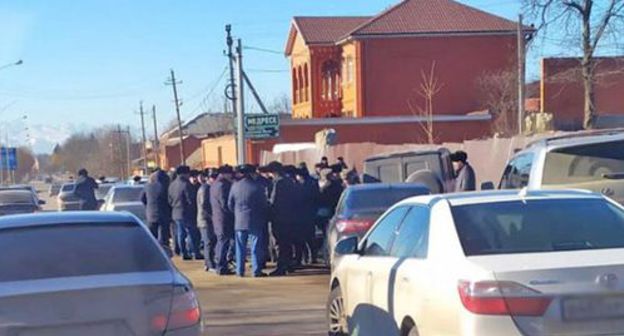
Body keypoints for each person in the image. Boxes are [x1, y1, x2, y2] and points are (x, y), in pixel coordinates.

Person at [228, 164, 269, 277]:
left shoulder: (235, 186)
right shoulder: (257, 187)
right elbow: (263, 204)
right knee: (255, 247)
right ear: (252, 173)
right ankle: (256, 270)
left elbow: (230, 204)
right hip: (255, 220)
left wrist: (237, 213)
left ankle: (239, 271)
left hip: (239, 221)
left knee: (240, 247)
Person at [267, 161, 300, 276]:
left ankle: (281, 267)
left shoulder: (278, 183)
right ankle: (289, 264)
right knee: (287, 242)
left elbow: (273, 201)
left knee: (279, 243)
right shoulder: (290, 181)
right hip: (291, 216)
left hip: (279, 217)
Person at [168, 165, 204, 260]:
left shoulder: (172, 185)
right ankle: (195, 252)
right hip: (187, 212)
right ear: (185, 174)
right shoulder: (186, 185)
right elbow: (191, 199)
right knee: (192, 233)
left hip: (176, 212)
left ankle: (183, 252)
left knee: (181, 233)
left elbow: (169, 200)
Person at [210, 165, 235, 275]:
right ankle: (221, 266)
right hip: (224, 218)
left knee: (221, 242)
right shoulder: (223, 186)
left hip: (218, 217)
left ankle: (220, 264)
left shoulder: (214, 184)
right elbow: (225, 203)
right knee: (223, 242)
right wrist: (233, 211)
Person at [295, 165, 320, 265]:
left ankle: (306, 258)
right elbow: (317, 196)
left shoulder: (300, 183)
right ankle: (311, 257)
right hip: (310, 213)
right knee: (310, 237)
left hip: (302, 213)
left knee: (303, 237)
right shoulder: (313, 181)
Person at [141, 170, 172, 251]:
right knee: (164, 234)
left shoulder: (148, 186)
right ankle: (164, 248)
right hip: (164, 213)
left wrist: (148, 206)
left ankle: (151, 249)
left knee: (152, 234)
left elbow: (142, 198)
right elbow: (169, 199)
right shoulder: (165, 186)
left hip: (151, 213)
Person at [197, 169, 217, 272]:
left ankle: (208, 262)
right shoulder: (205, 189)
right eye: (213, 178)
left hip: (205, 219)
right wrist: (212, 216)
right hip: (205, 220)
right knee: (208, 242)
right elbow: (204, 205)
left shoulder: (207, 188)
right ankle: (210, 264)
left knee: (210, 242)